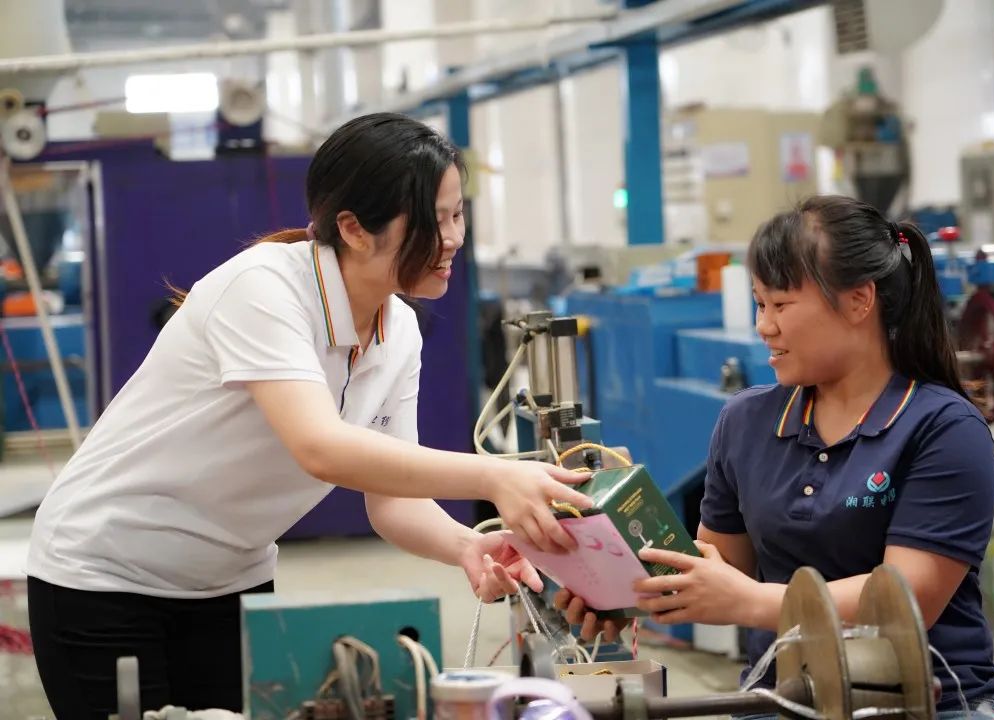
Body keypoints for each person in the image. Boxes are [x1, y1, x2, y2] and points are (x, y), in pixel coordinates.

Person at [26, 113, 590, 719]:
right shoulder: (264, 289)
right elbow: (320, 448)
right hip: (104, 573)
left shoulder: (399, 329)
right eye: (435, 220)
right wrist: (494, 476)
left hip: (229, 580)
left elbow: (393, 500)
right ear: (353, 228)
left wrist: (465, 545)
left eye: (458, 216)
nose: (453, 238)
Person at [557, 195, 994, 718]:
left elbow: (906, 602)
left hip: (925, 703)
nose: (764, 326)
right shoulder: (746, 421)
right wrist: (620, 587)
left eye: (781, 305)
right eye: (759, 304)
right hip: (779, 698)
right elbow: (715, 568)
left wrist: (747, 601)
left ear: (859, 301)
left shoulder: (942, 429)